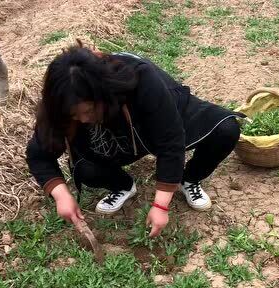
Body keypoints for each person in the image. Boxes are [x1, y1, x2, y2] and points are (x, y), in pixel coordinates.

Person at [26, 42, 241, 237]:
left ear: (102, 94)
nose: (83, 120)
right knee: (85, 168)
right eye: (74, 115)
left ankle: (189, 179)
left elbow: (170, 141)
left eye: (89, 111)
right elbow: (38, 154)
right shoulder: (59, 103)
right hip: (117, 140)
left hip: (157, 120)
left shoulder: (140, 78)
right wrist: (60, 194)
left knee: (225, 130)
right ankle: (124, 185)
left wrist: (161, 205)